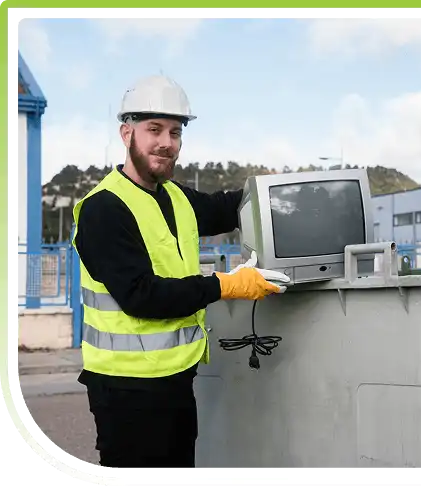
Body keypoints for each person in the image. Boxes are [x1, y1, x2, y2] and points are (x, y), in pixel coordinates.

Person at [71, 75, 286, 472]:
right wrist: (226, 285)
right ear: (126, 133)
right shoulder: (104, 209)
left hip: (176, 378)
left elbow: (225, 208)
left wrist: (285, 195)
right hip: (126, 390)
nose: (165, 142)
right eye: (153, 130)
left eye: (174, 131)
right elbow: (141, 295)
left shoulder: (175, 196)